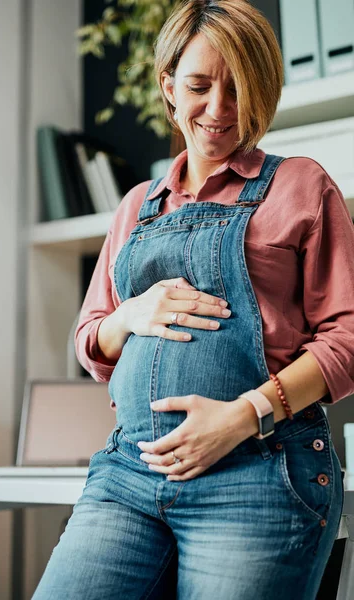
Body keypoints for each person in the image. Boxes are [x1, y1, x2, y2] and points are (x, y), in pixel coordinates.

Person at [33, 1, 354, 598]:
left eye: (238, 88)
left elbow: (348, 338)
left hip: (256, 473)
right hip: (127, 475)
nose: (219, 109)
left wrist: (244, 415)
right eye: (200, 85)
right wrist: (129, 315)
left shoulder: (301, 186)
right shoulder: (136, 206)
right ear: (169, 87)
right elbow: (90, 341)